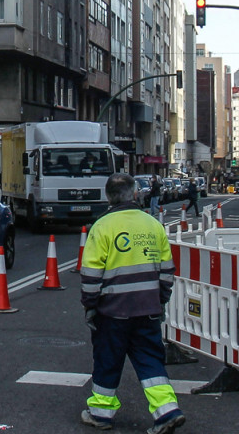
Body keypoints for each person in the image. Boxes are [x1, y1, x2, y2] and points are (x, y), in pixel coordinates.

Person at [80, 173, 185, 434]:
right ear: (135, 194)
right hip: (147, 308)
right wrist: (160, 300)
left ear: (108, 197)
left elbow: (91, 275)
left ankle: (101, 414)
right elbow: (167, 270)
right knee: (150, 360)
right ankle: (167, 410)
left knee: (107, 360)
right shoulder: (152, 225)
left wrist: (90, 305)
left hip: (112, 310)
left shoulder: (102, 227)